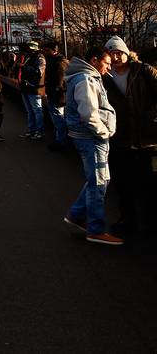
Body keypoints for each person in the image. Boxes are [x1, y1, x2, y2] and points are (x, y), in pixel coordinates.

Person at [63, 46, 123, 245]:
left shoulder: (85, 76)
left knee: (98, 180)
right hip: (91, 138)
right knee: (98, 182)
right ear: (94, 60)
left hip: (87, 136)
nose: (108, 68)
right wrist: (104, 132)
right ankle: (95, 229)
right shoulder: (86, 79)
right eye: (106, 63)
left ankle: (76, 214)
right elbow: (88, 114)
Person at [103, 36, 157, 239]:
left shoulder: (144, 70)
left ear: (127, 53)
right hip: (121, 138)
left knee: (149, 184)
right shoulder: (105, 77)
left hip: (147, 139)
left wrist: (151, 116)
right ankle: (128, 221)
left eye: (119, 53)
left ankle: (149, 224)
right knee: (122, 184)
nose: (116, 57)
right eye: (111, 54)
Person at [43, 41, 69, 150]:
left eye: (47, 50)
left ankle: (61, 141)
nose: (45, 52)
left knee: (58, 118)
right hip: (57, 94)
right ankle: (60, 139)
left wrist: (56, 90)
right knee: (58, 118)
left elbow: (60, 81)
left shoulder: (58, 63)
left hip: (57, 96)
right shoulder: (57, 61)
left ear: (54, 51)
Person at [19, 41, 47, 140]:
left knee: (37, 110)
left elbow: (39, 72)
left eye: (31, 49)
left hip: (35, 88)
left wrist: (25, 67)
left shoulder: (40, 58)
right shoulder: (29, 57)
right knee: (30, 111)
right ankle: (32, 130)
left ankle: (40, 131)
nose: (29, 50)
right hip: (26, 87)